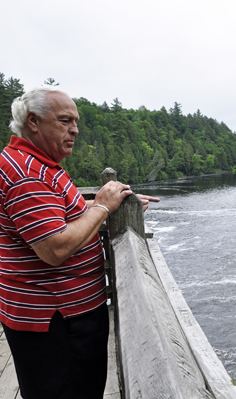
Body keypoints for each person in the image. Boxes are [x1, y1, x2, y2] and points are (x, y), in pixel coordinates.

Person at [0, 86, 159, 399]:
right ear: (33, 121)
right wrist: (102, 207)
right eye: (64, 121)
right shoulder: (27, 173)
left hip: (58, 317)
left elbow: (57, 215)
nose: (74, 129)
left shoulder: (35, 163)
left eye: (75, 121)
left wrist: (117, 206)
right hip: (56, 324)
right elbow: (54, 248)